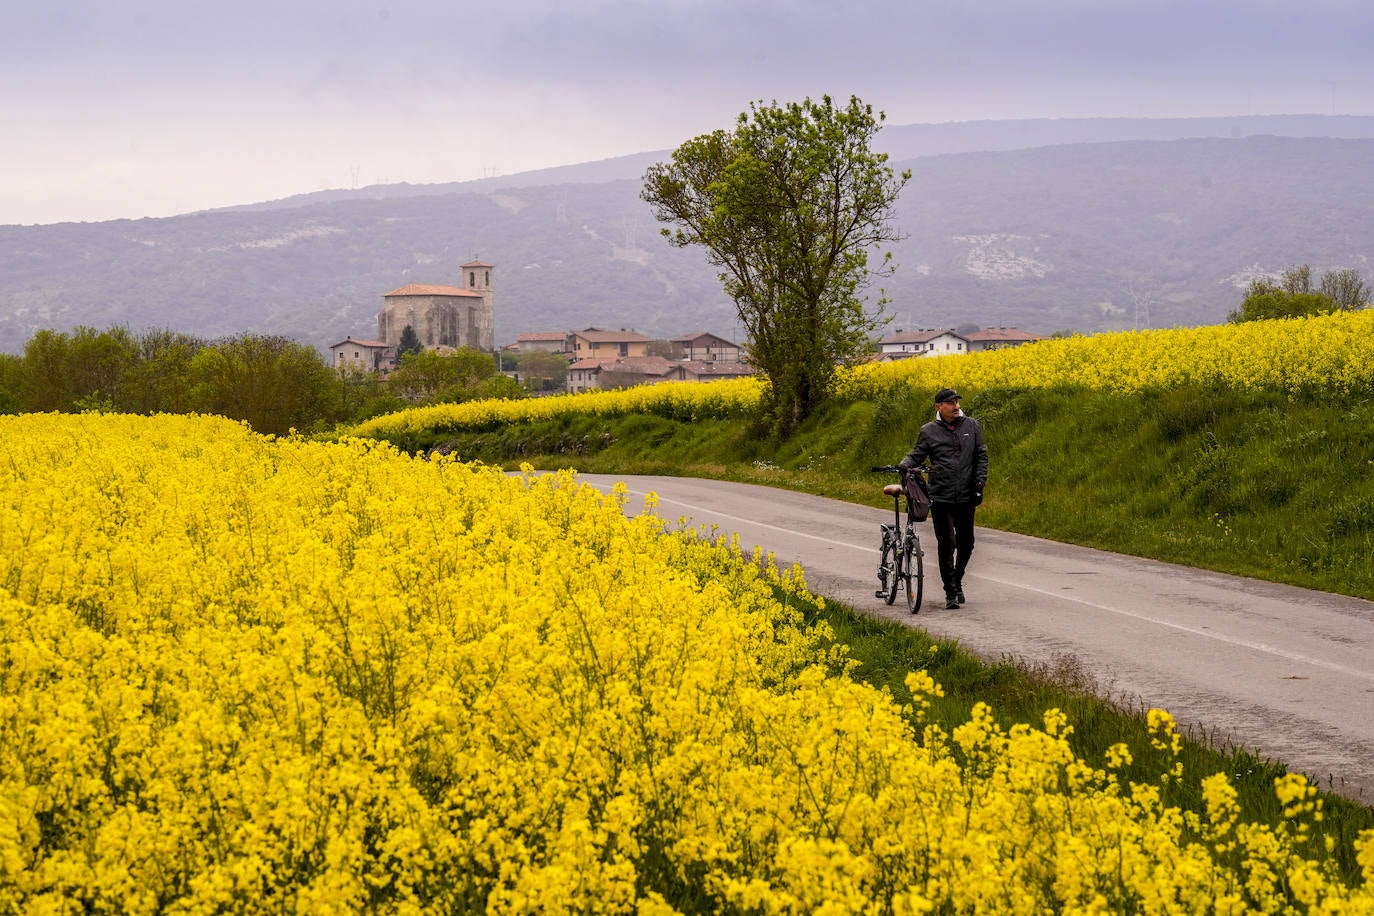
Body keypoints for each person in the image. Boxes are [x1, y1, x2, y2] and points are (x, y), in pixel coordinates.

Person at [898, 387, 988, 609]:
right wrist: (905, 465)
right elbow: (917, 454)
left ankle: (957, 580)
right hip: (941, 496)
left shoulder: (972, 426)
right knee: (947, 543)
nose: (956, 406)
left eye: (957, 402)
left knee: (967, 543)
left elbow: (981, 456)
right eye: (950, 403)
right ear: (939, 407)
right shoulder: (929, 431)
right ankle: (950, 591)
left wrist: (979, 484)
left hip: (966, 495)